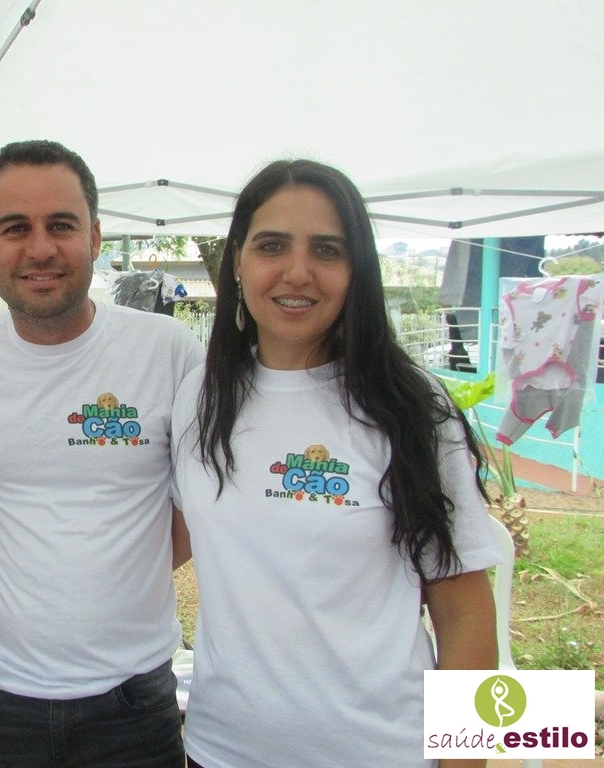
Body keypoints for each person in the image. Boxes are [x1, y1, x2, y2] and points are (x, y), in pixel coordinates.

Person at [170, 159, 502, 768]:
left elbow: (463, 609)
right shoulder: (199, 397)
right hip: (220, 751)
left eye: (327, 250)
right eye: (272, 245)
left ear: (357, 270)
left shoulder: (412, 408)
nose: (298, 272)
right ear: (238, 260)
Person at [0, 139, 204, 767]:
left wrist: (454, 749)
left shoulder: (168, 350)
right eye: (15, 228)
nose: (40, 249)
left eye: (61, 225)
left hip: (133, 701)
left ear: (96, 236)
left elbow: (197, 513)